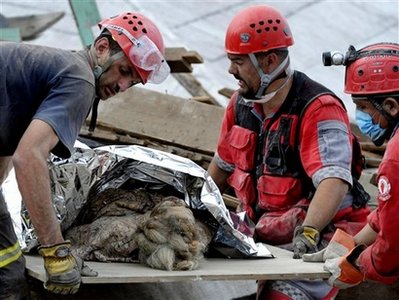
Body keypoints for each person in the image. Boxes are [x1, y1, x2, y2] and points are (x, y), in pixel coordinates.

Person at [0, 11, 170, 299]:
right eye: (125, 72)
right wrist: (55, 251)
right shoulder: (79, 79)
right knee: (8, 277)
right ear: (102, 48)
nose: (122, 87)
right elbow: (28, 158)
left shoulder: (50, 66)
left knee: (6, 257)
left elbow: (7, 143)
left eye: (133, 82)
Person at [207, 4, 371, 299]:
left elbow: (333, 180)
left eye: (238, 61)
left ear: (269, 61)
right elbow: (220, 168)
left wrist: (309, 232)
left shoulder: (318, 107)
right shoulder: (240, 105)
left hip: (317, 242)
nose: (231, 69)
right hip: (261, 241)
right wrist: (191, 207)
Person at [303, 42, 399, 288]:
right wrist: (351, 245)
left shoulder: (395, 158)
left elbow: (392, 245)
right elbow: (389, 214)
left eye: (363, 107)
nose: (360, 116)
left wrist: (358, 262)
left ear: (391, 106)